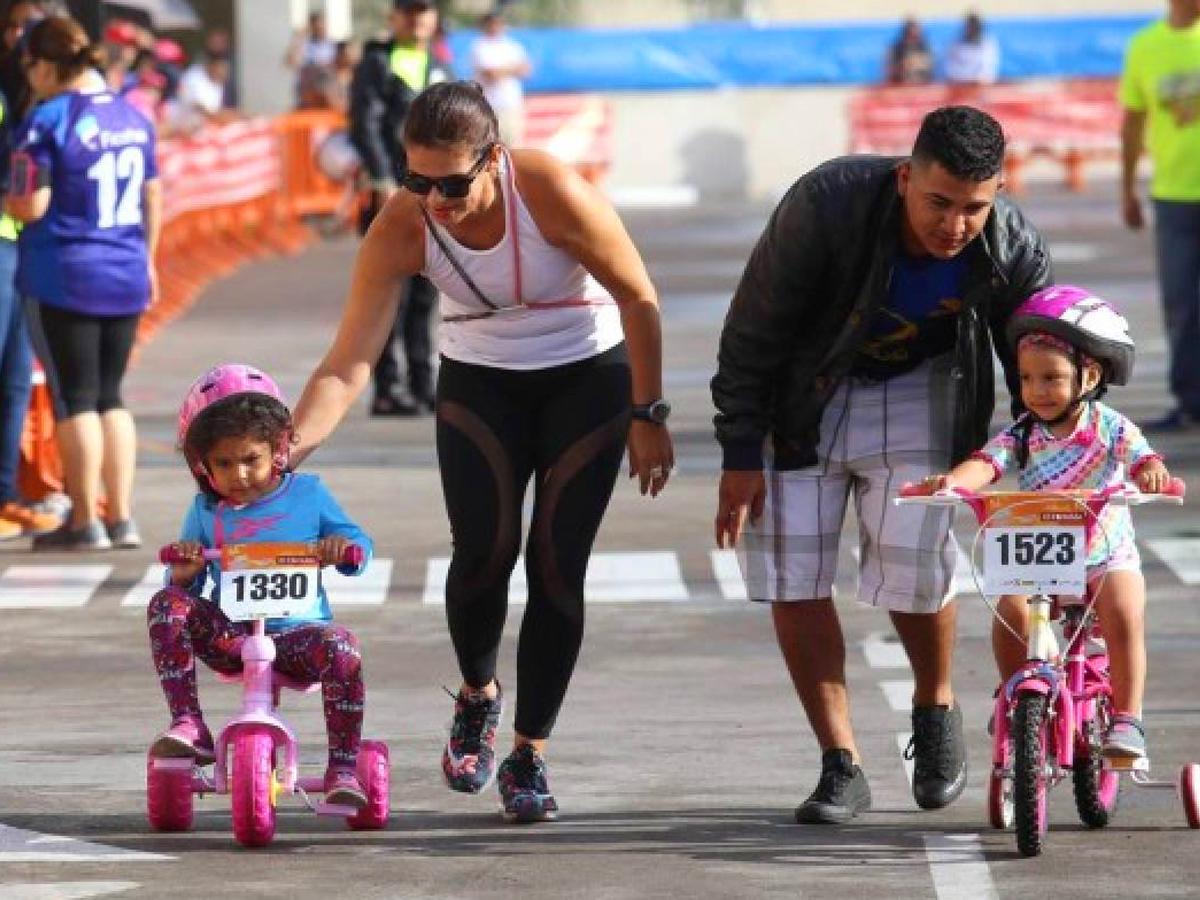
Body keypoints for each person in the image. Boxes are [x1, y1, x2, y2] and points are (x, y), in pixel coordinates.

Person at [292, 81, 674, 823]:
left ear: (493, 158)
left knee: (556, 564)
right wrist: (287, 452)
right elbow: (347, 363)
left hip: (586, 375)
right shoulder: (402, 223)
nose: (435, 200)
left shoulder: (551, 190)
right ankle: (478, 694)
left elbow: (638, 297)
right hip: (480, 379)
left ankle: (529, 755)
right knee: (484, 552)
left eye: (452, 183)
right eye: (417, 180)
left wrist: (648, 412)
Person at [711, 105, 1052, 825]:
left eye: (973, 208)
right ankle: (841, 763)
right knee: (794, 573)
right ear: (904, 178)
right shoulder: (825, 206)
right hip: (803, 392)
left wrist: (1061, 449)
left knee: (913, 563)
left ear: (998, 192)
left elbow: (1040, 350)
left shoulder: (1009, 242)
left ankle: (935, 704)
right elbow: (752, 329)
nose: (954, 225)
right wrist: (740, 451)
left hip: (919, 387)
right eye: (938, 202)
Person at [930, 286, 1170, 760]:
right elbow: (986, 463)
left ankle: (1128, 718)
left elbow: (1143, 459)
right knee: (1010, 611)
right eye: (1026, 378)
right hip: (1043, 554)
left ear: (1089, 376)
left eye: (1052, 378)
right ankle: (1015, 693)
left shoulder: (1110, 427)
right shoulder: (1023, 432)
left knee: (1123, 611)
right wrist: (953, 483)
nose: (1037, 391)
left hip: (1104, 552)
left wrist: (1151, 473)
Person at [149, 364, 374, 808]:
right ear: (203, 466)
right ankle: (188, 723)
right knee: (167, 603)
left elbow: (359, 545)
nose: (239, 475)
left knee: (342, 647)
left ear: (277, 449)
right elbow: (185, 588)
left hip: (298, 637)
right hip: (233, 637)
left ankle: (344, 766)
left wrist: (343, 550)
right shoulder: (206, 511)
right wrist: (185, 573)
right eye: (224, 464)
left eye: (250, 459)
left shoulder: (308, 495)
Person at [6, 15, 161, 550]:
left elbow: (31, 203)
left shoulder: (46, 120)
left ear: (48, 66)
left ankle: (84, 520)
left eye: (29, 65)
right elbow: (153, 193)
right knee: (111, 396)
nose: (28, 77)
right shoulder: (132, 116)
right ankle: (121, 517)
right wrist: (148, 260)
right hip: (125, 268)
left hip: (64, 272)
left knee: (75, 399)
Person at [349, 0, 452, 417]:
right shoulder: (377, 62)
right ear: (393, 18)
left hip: (430, 194)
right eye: (409, 11)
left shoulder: (438, 63)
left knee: (426, 294)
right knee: (392, 296)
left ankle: (424, 383)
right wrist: (380, 177)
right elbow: (365, 124)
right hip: (391, 192)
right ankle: (387, 388)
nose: (417, 19)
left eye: (423, 10)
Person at [1119, 0, 1200, 431]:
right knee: (1181, 304)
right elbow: (1133, 122)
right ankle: (1190, 402)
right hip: (1173, 196)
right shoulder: (1145, 46)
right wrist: (1127, 187)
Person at [470, 11, 531, 146]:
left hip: (511, 103)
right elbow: (491, 74)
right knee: (491, 145)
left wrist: (503, 70)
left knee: (514, 145)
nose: (496, 26)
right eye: (492, 23)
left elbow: (526, 70)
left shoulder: (512, 46)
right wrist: (513, 69)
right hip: (490, 104)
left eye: (498, 23)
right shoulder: (480, 46)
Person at [943, 12, 1000, 86]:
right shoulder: (955, 45)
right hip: (958, 85)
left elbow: (988, 71)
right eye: (970, 27)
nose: (972, 30)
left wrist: (975, 80)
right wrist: (962, 79)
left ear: (980, 28)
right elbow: (949, 69)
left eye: (974, 28)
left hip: (980, 86)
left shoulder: (988, 44)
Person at [885, 17, 934, 85]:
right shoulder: (896, 49)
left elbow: (930, 66)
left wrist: (918, 65)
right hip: (901, 84)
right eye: (911, 33)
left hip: (922, 84)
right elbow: (889, 69)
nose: (915, 36)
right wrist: (904, 66)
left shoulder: (925, 47)